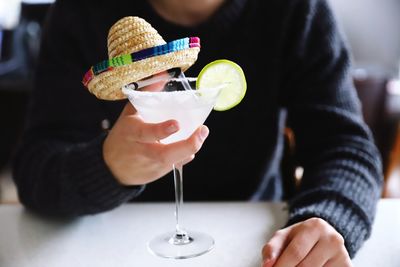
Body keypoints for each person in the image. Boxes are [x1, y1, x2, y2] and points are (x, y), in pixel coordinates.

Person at [12, 0, 383, 266]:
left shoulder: (296, 10)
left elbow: (345, 145)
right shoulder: (80, 12)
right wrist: (107, 166)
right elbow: (34, 170)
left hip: (255, 243)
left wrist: (328, 218)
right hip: (113, 248)